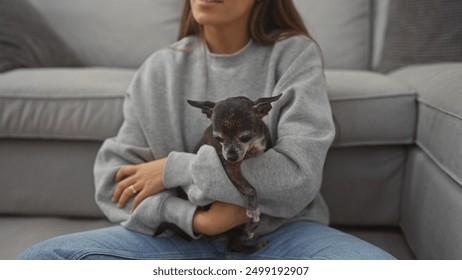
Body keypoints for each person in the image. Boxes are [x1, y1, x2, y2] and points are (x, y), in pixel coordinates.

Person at [18, 0, 394, 260]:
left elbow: (299, 178)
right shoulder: (159, 70)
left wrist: (175, 168)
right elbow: (113, 184)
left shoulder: (295, 56)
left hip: (281, 237)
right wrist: (196, 219)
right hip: (178, 242)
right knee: (40, 261)